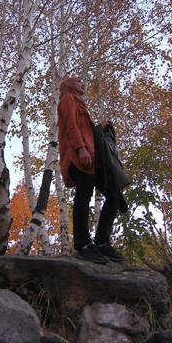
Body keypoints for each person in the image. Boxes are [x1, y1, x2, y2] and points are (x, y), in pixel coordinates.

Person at [57, 76, 125, 264]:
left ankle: (102, 242)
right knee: (83, 197)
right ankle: (83, 244)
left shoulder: (81, 105)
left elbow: (85, 130)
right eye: (79, 81)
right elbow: (71, 126)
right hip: (79, 157)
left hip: (93, 160)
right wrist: (80, 149)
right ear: (69, 85)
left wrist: (99, 128)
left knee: (113, 195)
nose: (83, 83)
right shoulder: (67, 100)